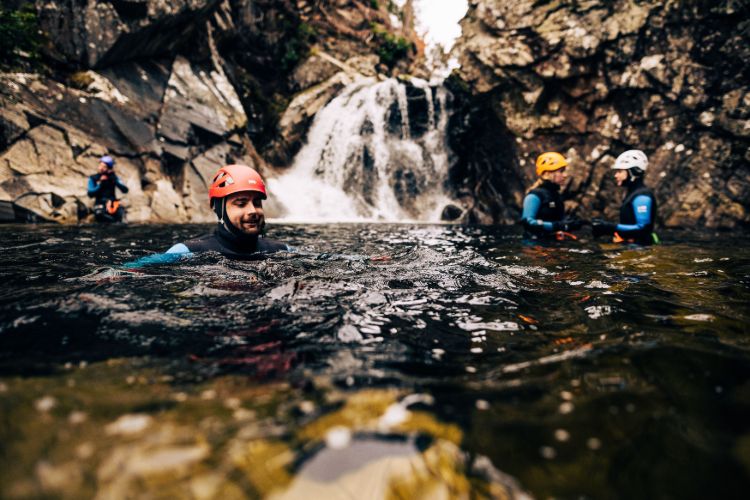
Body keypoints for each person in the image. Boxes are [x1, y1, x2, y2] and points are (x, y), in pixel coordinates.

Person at [123, 164, 290, 268]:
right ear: (218, 209)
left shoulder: (281, 250)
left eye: (257, 203)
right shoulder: (189, 251)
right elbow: (129, 270)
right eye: (241, 203)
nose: (253, 210)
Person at [591, 150, 659, 245]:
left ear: (633, 172)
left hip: (641, 251)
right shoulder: (632, 193)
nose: (616, 175)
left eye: (619, 171)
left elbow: (643, 228)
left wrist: (609, 227)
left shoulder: (642, 196)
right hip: (632, 248)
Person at [520, 151, 583, 240]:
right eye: (561, 171)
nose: (565, 175)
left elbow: (557, 221)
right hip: (534, 247)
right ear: (547, 174)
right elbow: (527, 222)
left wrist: (570, 223)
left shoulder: (556, 195)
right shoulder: (534, 195)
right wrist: (559, 225)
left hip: (552, 245)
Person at [87, 155, 129, 222]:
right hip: (100, 204)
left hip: (112, 203)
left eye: (104, 167)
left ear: (109, 168)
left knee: (120, 215)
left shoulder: (113, 177)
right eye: (100, 165)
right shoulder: (93, 178)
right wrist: (100, 184)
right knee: (100, 215)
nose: (101, 168)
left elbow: (125, 190)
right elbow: (90, 193)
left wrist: (114, 180)